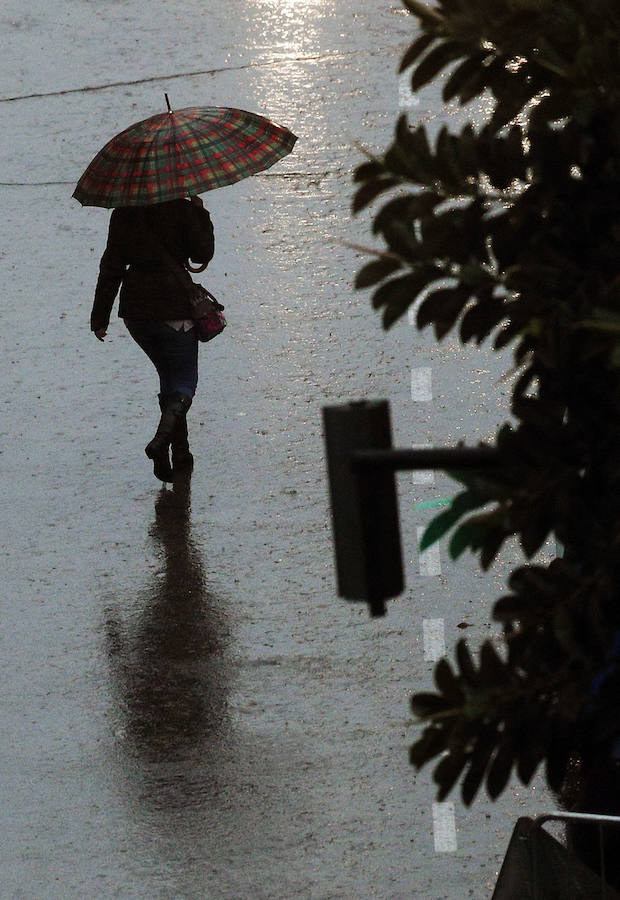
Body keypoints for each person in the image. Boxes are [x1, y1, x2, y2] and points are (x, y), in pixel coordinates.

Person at [90, 195, 214, 482]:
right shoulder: (182, 209)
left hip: (137, 315)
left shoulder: (123, 214)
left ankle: (180, 454)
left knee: (168, 379)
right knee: (184, 382)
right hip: (175, 309)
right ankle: (160, 442)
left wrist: (100, 317)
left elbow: (111, 267)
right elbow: (202, 254)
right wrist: (200, 213)